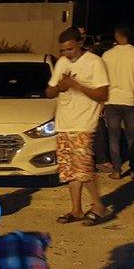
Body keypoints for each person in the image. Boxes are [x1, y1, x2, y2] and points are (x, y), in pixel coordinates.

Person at [47, 27, 111, 226]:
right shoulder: (62, 63)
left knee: (83, 167)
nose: (66, 54)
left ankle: (98, 205)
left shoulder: (95, 63)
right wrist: (60, 87)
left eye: (70, 49)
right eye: (63, 50)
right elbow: (49, 92)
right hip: (64, 122)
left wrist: (77, 85)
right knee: (69, 170)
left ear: (80, 44)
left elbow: (103, 95)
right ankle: (76, 209)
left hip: (84, 122)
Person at [101, 24, 134, 179]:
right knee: (132, 137)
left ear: (117, 35)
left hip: (111, 101)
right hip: (131, 101)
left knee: (114, 137)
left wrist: (101, 102)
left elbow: (102, 80)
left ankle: (117, 170)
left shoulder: (107, 55)